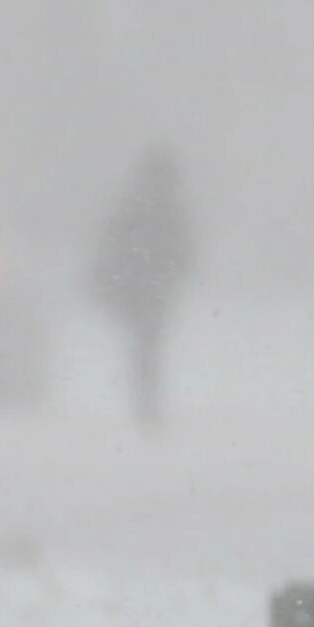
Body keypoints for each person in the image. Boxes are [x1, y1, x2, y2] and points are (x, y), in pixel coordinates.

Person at [90, 142, 196, 429]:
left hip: (143, 288)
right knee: (146, 346)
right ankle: (146, 404)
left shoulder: (140, 209)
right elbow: (184, 250)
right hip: (143, 288)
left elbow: (183, 250)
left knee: (145, 346)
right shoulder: (156, 211)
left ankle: (145, 403)